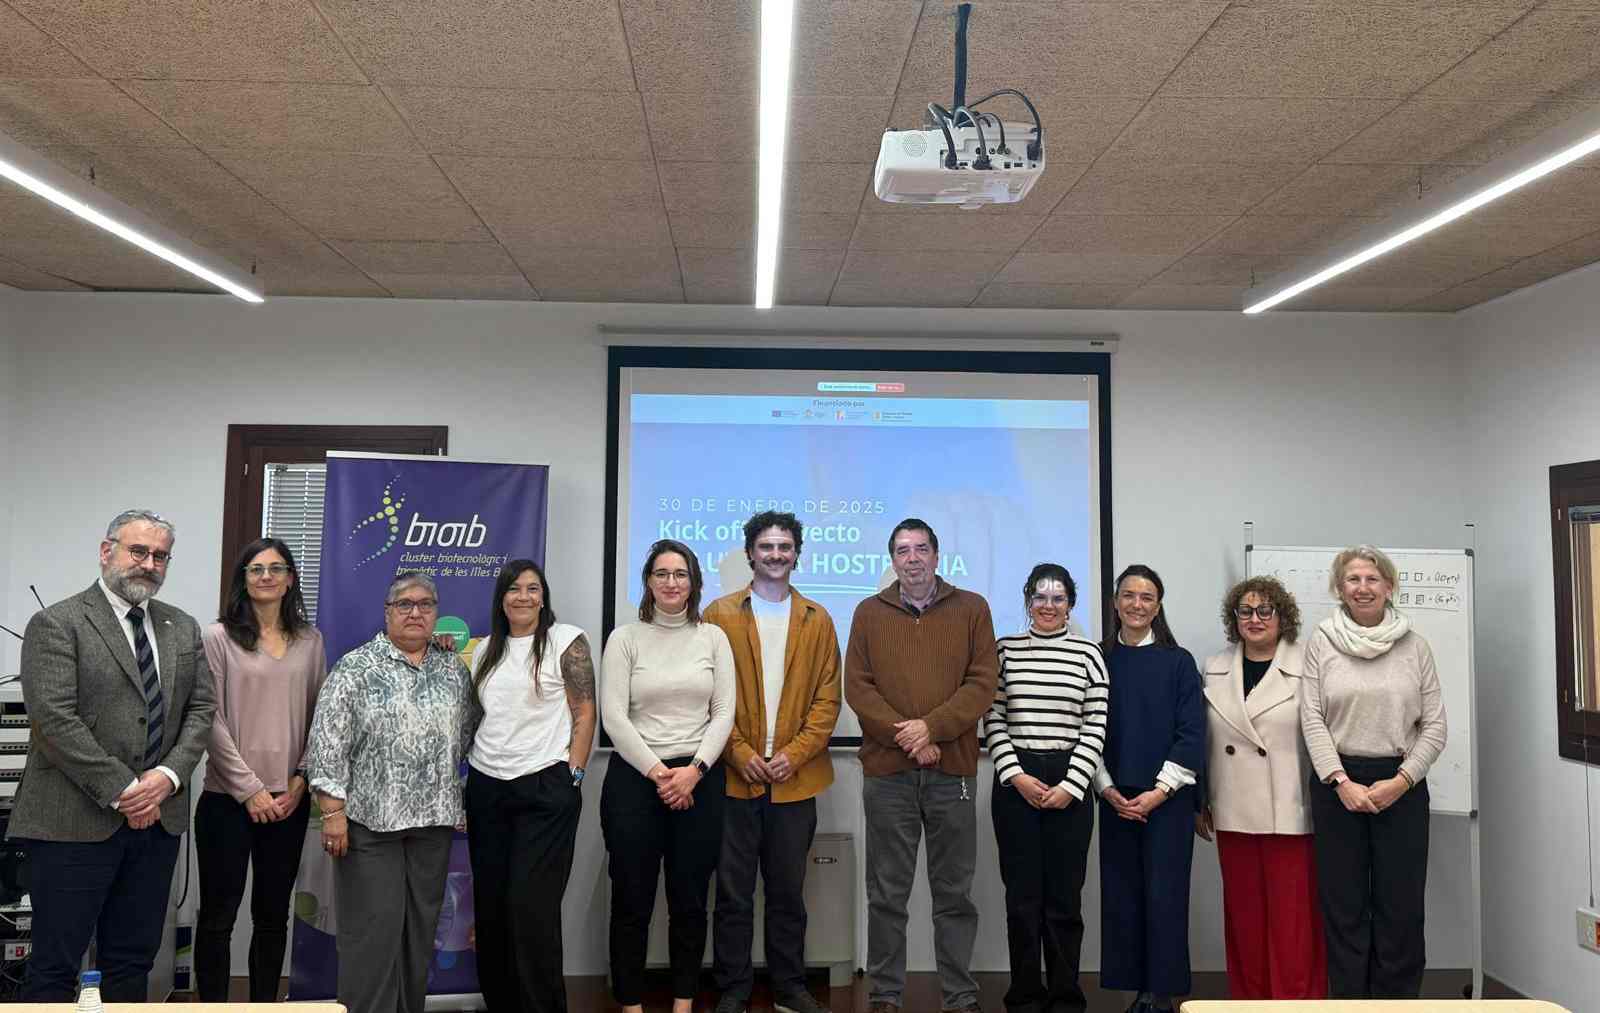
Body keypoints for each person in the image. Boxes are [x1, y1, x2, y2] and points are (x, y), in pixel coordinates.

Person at [8, 509, 216, 1001]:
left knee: (133, 962)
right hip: (71, 824)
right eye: (137, 551)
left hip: (156, 825)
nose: (149, 564)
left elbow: (202, 708)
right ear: (107, 552)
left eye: (160, 555)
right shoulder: (57, 623)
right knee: (55, 966)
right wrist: (126, 791)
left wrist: (167, 777)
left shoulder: (181, 627)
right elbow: (55, 722)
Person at [303, 572, 478, 1013]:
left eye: (425, 604)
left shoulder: (452, 670)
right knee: (372, 936)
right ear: (387, 612)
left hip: (433, 826)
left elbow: (470, 734)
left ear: (436, 613)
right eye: (405, 604)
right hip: (368, 826)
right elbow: (326, 744)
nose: (416, 612)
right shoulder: (355, 668)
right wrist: (333, 813)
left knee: (420, 937)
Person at [845, 518, 998, 1013]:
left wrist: (931, 728)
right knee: (887, 893)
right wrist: (910, 737)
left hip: (951, 772)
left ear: (937, 554)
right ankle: (886, 994)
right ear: (892, 559)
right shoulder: (869, 612)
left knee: (954, 893)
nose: (912, 558)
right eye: (902, 550)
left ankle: (959, 995)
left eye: (921, 549)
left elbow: (982, 683)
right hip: (887, 776)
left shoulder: (972, 608)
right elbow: (858, 688)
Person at [705, 512, 842, 1013]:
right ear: (750, 553)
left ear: (797, 553)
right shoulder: (718, 614)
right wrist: (740, 753)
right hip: (732, 780)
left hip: (795, 780)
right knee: (734, 895)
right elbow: (706, 697)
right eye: (767, 546)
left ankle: (789, 987)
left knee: (788, 894)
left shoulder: (818, 619)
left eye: (785, 546)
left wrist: (793, 755)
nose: (776, 554)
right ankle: (733, 990)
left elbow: (828, 702)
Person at [1301, 545, 1447, 999]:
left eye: (1371, 579)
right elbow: (1311, 718)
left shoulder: (1415, 647)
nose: (1362, 588)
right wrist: (1341, 782)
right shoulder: (1321, 641)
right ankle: (1349, 1005)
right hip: (1336, 786)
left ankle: (1397, 1006)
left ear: (1388, 586)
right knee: (1343, 909)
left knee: (1400, 910)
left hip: (1401, 784)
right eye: (1353, 580)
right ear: (1339, 589)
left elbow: (1436, 726)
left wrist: (1402, 781)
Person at [600, 539, 736, 1013]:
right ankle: (631, 1003)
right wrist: (662, 775)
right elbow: (614, 717)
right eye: (662, 574)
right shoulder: (625, 638)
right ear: (648, 582)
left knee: (690, 900)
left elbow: (723, 714)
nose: (671, 583)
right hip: (636, 781)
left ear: (694, 582)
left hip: (699, 781)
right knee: (632, 899)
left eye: (680, 574)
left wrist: (693, 772)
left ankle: (683, 1001)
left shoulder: (713, 637)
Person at [196, 538, 328, 1002]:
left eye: (276, 568)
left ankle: (264, 1007)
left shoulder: (311, 642)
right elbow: (207, 717)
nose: (266, 576)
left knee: (273, 917)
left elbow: (320, 718)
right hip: (226, 802)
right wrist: (249, 789)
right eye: (255, 569)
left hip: (289, 801)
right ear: (243, 580)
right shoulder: (217, 637)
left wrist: (300, 780)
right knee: (217, 917)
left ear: (291, 578)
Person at [465, 560, 596, 1013]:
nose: (523, 596)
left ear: (544, 596)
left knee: (532, 913)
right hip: (487, 787)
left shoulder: (566, 641)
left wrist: (573, 777)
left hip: (545, 789)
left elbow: (584, 713)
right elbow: (480, 718)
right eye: (514, 588)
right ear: (501, 597)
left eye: (532, 588)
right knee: (493, 908)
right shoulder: (484, 651)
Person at [1194, 577, 1325, 999]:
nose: (1254, 619)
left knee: (1293, 924)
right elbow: (1202, 740)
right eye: (1245, 611)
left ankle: (1295, 1004)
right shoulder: (1213, 666)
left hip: (1291, 810)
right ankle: (1248, 1003)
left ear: (1282, 616)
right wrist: (1201, 801)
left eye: (1264, 610)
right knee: (1245, 921)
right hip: (1232, 808)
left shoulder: (1310, 665)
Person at [986, 563, 1108, 1013]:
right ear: (1028, 602)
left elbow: (1096, 723)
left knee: (1063, 900)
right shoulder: (1006, 651)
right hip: (1015, 780)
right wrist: (1015, 775)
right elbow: (993, 716)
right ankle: (1024, 996)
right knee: (1021, 899)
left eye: (1058, 598)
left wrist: (1072, 785)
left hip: (1070, 783)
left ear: (1070, 604)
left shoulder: (1089, 654)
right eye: (1040, 597)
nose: (1049, 606)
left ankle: (1064, 997)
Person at [1094, 564, 1205, 1013]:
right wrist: (1105, 789)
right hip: (1114, 798)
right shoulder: (1096, 658)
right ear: (1115, 602)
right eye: (1129, 596)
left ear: (1158, 606)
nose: (1137, 605)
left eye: (1147, 598)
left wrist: (1159, 792)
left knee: (1165, 895)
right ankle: (1134, 986)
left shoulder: (1178, 662)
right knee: (1123, 897)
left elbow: (1192, 734)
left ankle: (1160, 992)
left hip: (1168, 801)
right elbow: (1087, 729)